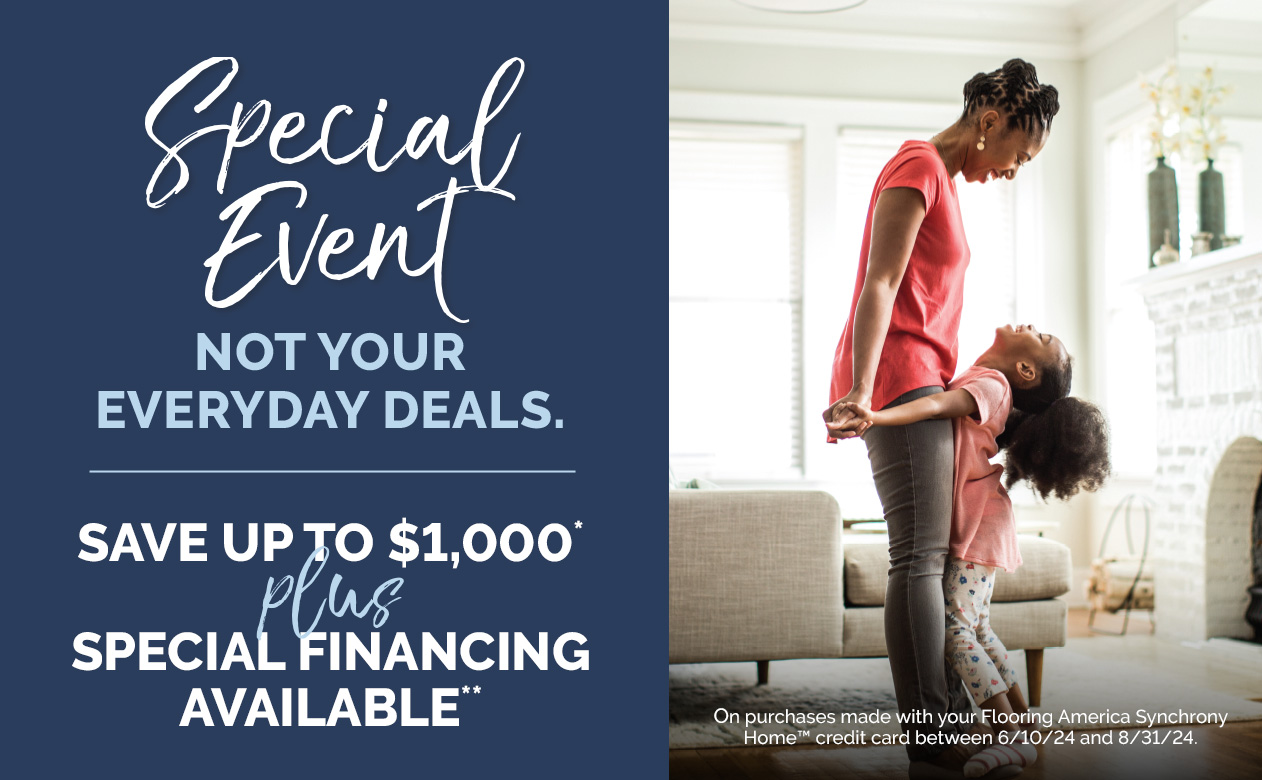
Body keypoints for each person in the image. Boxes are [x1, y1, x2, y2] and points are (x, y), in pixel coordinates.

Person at [822, 58, 1060, 779]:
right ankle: (934, 733)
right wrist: (864, 389)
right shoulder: (919, 163)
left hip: (916, 378)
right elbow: (881, 282)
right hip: (897, 380)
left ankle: (945, 721)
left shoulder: (944, 183)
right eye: (1017, 155)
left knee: (924, 560)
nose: (1013, 171)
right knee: (919, 561)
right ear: (989, 123)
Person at [835, 323, 1110, 777]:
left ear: (1024, 370)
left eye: (1041, 338)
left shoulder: (993, 384)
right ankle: (1022, 725)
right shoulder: (992, 381)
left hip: (980, 524)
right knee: (977, 628)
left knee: (956, 629)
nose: (1032, 328)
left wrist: (876, 415)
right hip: (986, 522)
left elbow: (938, 404)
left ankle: (1007, 736)